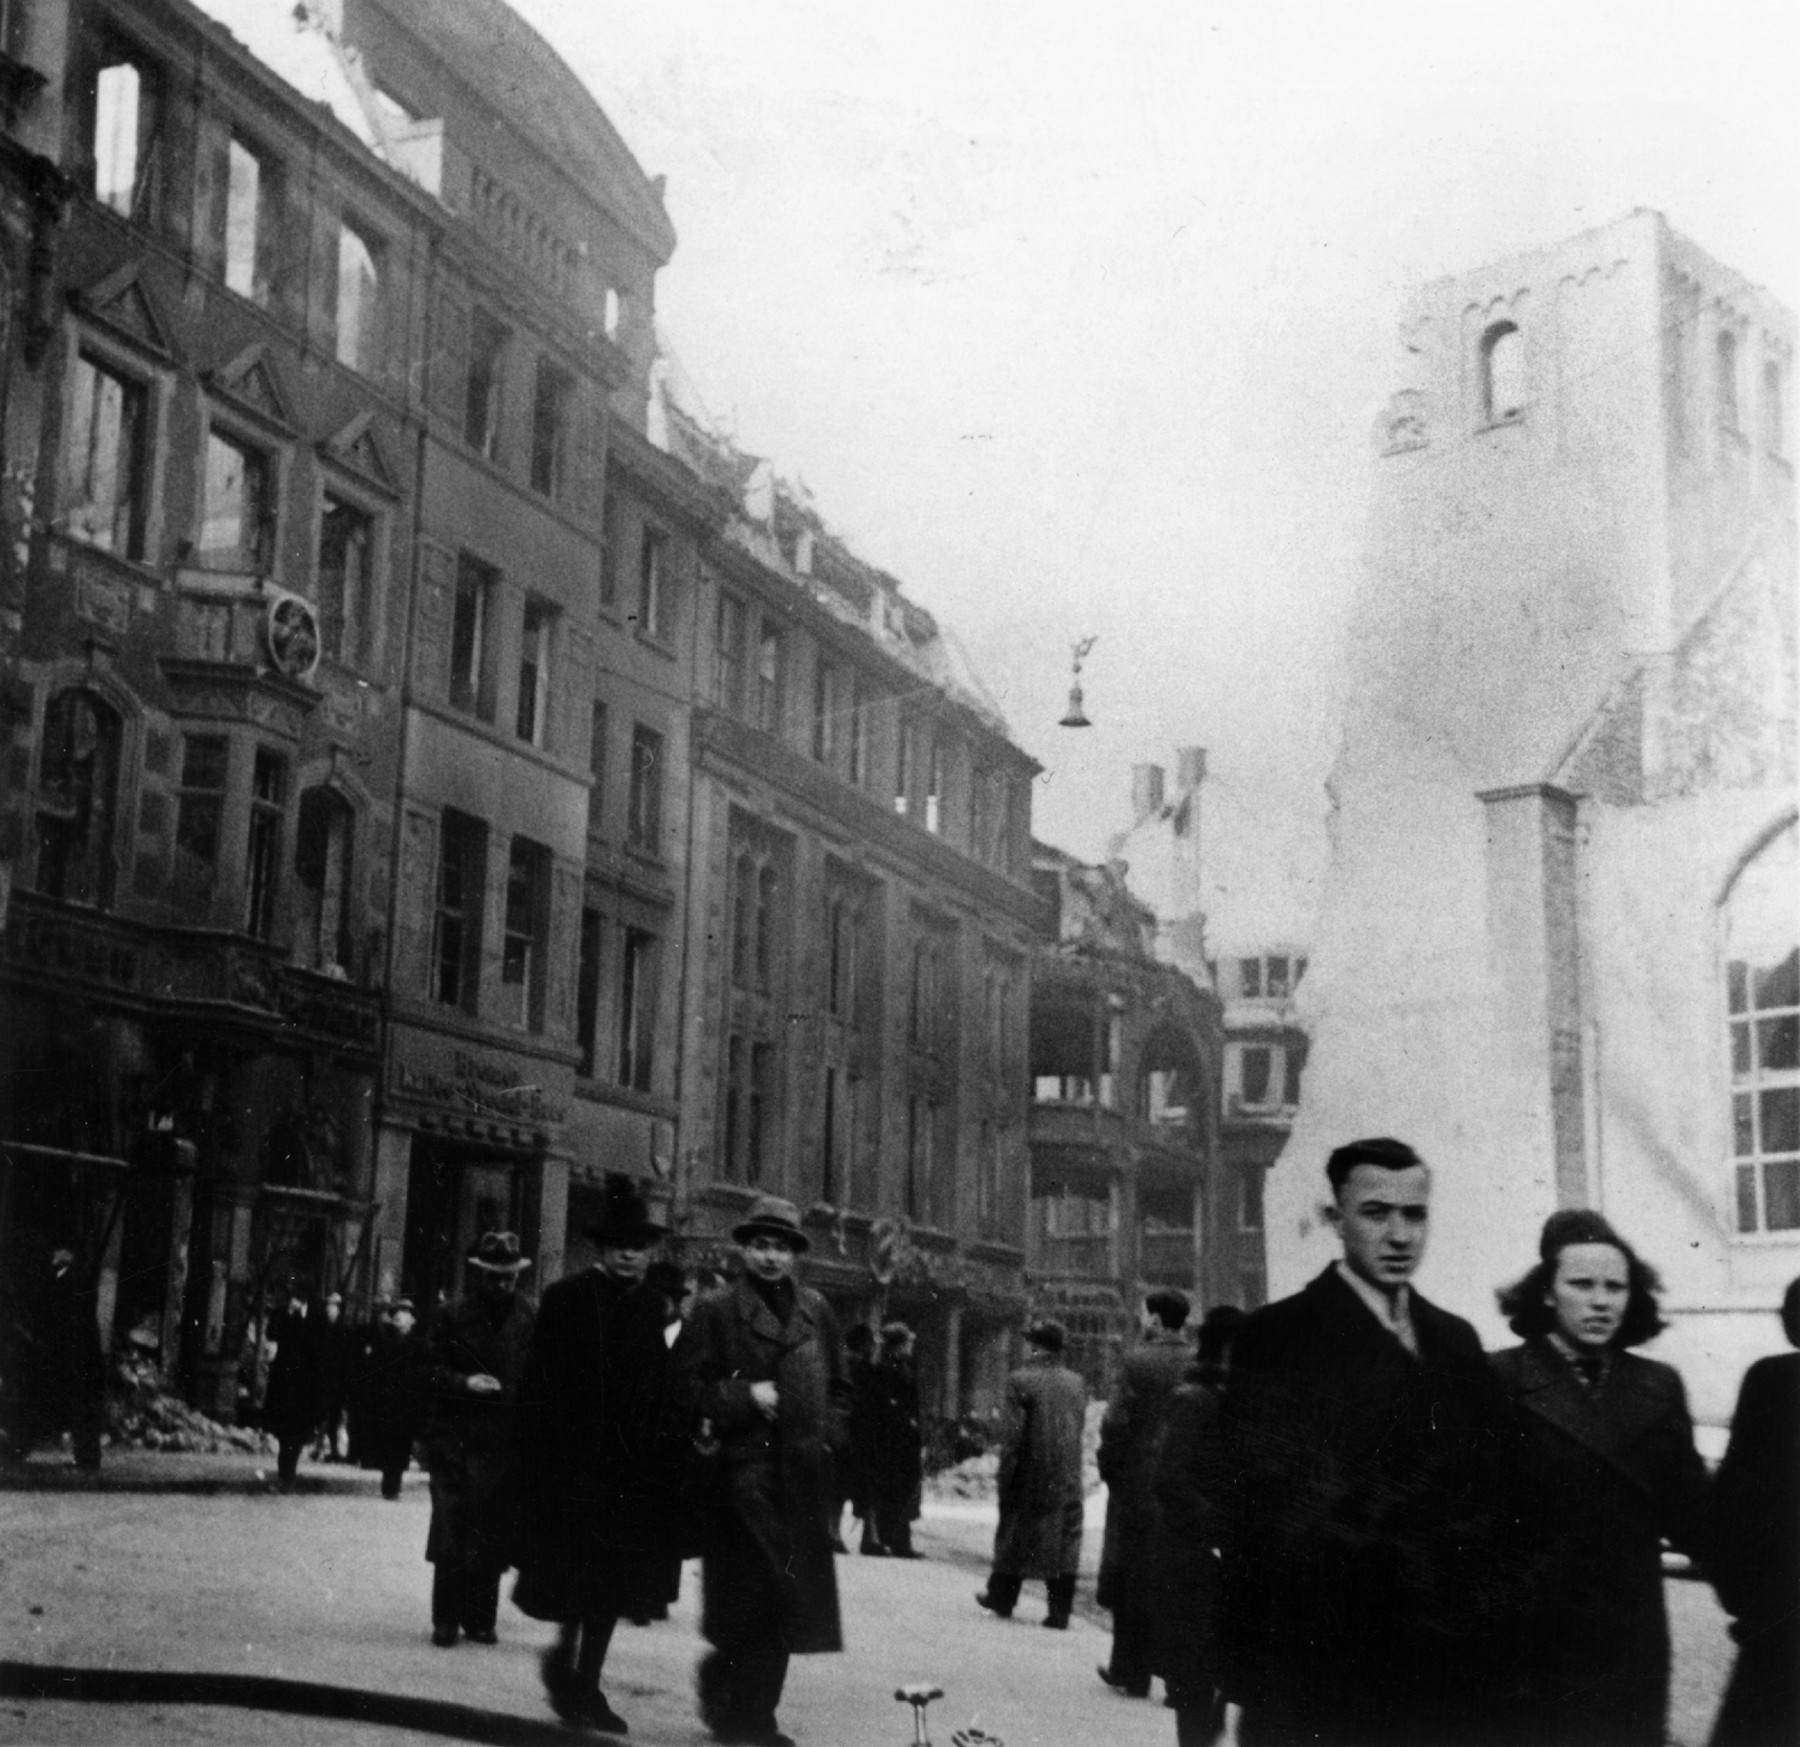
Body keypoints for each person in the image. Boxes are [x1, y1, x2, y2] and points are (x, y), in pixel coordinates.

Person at [1218, 1137, 1505, 1747]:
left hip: (1435, 1673)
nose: (1400, 1235)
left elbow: (1486, 1495)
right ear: (1334, 1219)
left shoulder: (1456, 1342)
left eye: (1415, 1214)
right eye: (1377, 1213)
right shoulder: (1277, 1338)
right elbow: (1260, 1512)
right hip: (1315, 1669)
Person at [1488, 1210, 1710, 1747]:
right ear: (1546, 1293)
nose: (1601, 1300)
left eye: (1616, 1286)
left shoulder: (1658, 1385)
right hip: (1532, 1638)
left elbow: (1697, 1517)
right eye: (1582, 1284)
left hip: (1631, 1635)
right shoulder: (1499, 1378)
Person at [513, 1175, 689, 1735]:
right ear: (602, 1249)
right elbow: (537, 1385)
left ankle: (587, 1683)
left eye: (639, 1246)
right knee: (572, 1576)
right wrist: (535, 1461)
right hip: (571, 1464)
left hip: (629, 1472)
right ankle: (566, 1661)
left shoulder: (655, 1311)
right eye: (619, 1246)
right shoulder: (566, 1299)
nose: (630, 1255)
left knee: (612, 1586)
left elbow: (665, 1388)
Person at [679, 1194, 848, 1747]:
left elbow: (842, 1391)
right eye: (760, 1246)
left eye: (781, 1247)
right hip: (739, 1475)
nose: (770, 1257)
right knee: (752, 1592)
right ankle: (733, 1702)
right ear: (743, 1250)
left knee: (788, 1597)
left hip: (800, 1477)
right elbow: (682, 1390)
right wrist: (745, 1394)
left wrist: (826, 1435)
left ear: (795, 1254)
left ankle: (757, 1713)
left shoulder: (817, 1311)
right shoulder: (716, 1309)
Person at [420, 1231, 536, 1648]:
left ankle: (480, 1619)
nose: (502, 1285)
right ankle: (445, 1620)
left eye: (509, 1278)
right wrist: (464, 1382)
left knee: (491, 1536)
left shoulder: (530, 1317)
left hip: (505, 1443)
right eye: (494, 1277)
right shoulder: (452, 1315)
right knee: (451, 1534)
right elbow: (427, 1369)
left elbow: (542, 1376)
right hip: (456, 1441)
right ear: (479, 1274)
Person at [1708, 1275, 1800, 1747]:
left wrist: (1743, 1599)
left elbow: (1733, 1499)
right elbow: (1737, 1499)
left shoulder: (1770, 1379)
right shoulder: (1771, 1381)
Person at [1153, 1306, 1245, 1747]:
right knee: (1193, 1675)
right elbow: (1169, 1476)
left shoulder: (1245, 1403)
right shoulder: (1193, 1400)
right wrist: (1214, 1531)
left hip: (1234, 1556)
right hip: (1196, 1555)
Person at [1097, 1287, 1192, 1697]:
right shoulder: (1200, 1362)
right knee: (1178, 1579)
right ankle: (1177, 1680)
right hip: (1187, 1488)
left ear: (1155, 1319)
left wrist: (1112, 1472)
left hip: (1138, 1484)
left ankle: (1129, 1672)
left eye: (1144, 1314)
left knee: (1132, 1575)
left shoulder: (1136, 1361)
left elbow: (1115, 1424)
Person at [975, 1318, 1087, 1630]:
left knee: (1015, 1533)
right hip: (1068, 1472)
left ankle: (1002, 1598)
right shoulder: (1076, 1383)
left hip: (1030, 1471)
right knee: (1065, 1541)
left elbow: (1014, 1435)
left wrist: (1006, 1474)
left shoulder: (1020, 1380)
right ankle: (1059, 1612)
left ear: (1035, 1346)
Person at [9, 1244, 105, 1470]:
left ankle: (18, 1450)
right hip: (77, 1357)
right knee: (79, 1413)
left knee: (58, 1407)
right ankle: (86, 1459)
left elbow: (62, 1317)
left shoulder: (70, 1281)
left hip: (73, 1357)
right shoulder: (74, 1280)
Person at [262, 1274, 327, 1489]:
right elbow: (271, 1333)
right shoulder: (282, 1313)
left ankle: (288, 1474)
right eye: (291, 1295)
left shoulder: (316, 1316)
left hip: (306, 1387)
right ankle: (285, 1475)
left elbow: (318, 1348)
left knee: (298, 1434)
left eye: (297, 1295)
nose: (294, 1299)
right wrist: (288, 1315)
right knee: (284, 1433)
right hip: (284, 1384)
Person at [356, 1297, 425, 1499]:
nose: (401, 1321)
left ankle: (393, 1483)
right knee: (387, 1443)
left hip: (407, 1402)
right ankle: (389, 1483)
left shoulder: (419, 1345)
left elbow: (423, 1375)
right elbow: (373, 1373)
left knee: (402, 1445)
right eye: (397, 1317)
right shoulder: (384, 1343)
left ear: (413, 1321)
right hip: (386, 1401)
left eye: (406, 1317)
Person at [868, 1321, 924, 1558]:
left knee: (904, 1491)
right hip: (893, 1440)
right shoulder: (884, 1369)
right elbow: (886, 1404)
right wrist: (906, 1421)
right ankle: (893, 1541)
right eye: (907, 1342)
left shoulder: (902, 1366)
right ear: (898, 1345)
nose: (911, 1345)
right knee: (894, 1491)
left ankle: (901, 1542)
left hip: (904, 1440)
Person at [840, 1323, 882, 1554]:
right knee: (863, 1486)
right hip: (857, 1432)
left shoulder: (846, 1364)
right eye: (871, 1343)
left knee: (843, 1486)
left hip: (852, 1431)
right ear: (864, 1345)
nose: (874, 1346)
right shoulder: (860, 1367)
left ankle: (835, 1534)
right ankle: (870, 1538)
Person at [313, 1291, 356, 1462]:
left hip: (337, 1380)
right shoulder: (321, 1329)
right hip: (323, 1379)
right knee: (323, 1414)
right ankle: (322, 1446)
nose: (331, 1310)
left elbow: (348, 1358)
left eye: (335, 1307)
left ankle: (331, 1448)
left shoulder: (344, 1331)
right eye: (329, 1306)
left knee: (333, 1415)